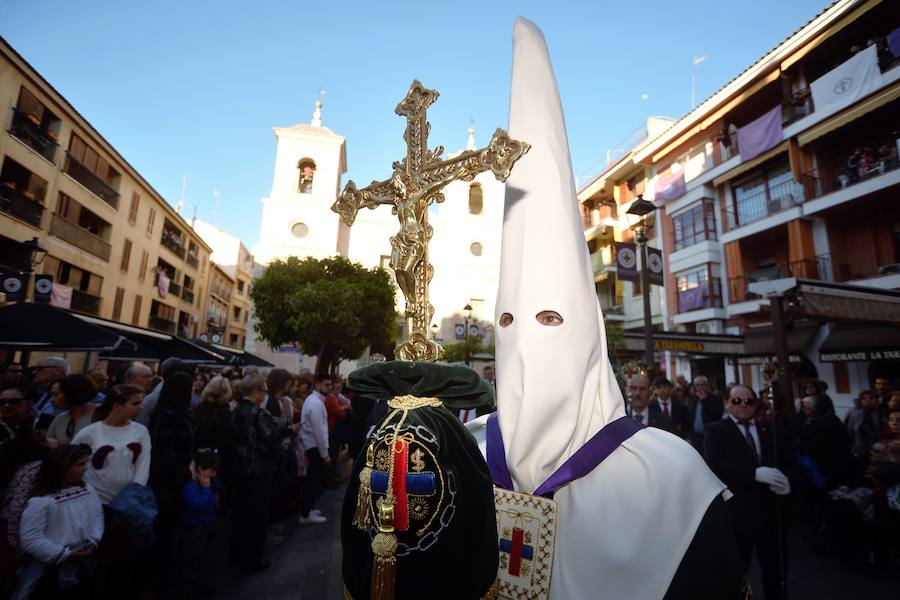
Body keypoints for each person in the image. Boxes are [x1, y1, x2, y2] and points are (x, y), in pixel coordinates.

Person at [465, 19, 746, 599]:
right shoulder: (461, 451)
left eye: (551, 320)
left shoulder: (668, 478)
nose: (527, 343)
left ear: (589, 333)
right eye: (510, 323)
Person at [704, 385, 792, 600]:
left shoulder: (768, 430)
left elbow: (786, 460)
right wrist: (753, 474)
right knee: (737, 571)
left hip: (771, 514)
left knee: (775, 569)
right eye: (736, 401)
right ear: (726, 403)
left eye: (749, 401)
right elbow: (714, 466)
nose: (743, 405)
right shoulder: (715, 430)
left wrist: (787, 481)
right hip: (737, 514)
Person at [12, 444, 104, 600]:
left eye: (85, 463)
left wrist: (94, 539)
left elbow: (98, 515)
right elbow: (30, 539)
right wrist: (63, 555)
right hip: (48, 558)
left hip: (82, 553)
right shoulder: (41, 502)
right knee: (27, 591)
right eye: (80, 464)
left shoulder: (88, 489)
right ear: (62, 467)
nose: (85, 469)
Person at [230, 374, 282, 573]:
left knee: (241, 514)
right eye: (264, 391)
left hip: (240, 469)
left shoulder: (234, 410)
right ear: (256, 391)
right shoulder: (258, 413)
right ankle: (252, 559)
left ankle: (236, 554)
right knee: (257, 516)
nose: (264, 396)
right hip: (259, 470)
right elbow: (272, 439)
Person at [147, 372, 195, 575]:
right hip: (169, 484)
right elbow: (164, 452)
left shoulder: (175, 414)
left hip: (175, 482)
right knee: (166, 529)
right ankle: (161, 571)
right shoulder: (168, 417)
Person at [72, 384, 151, 505]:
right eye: (135, 404)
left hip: (127, 501)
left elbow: (142, 466)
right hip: (93, 499)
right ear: (117, 406)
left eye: (141, 403)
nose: (141, 407)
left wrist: (134, 495)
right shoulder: (88, 433)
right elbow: (71, 463)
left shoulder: (141, 431)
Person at [175, 448, 222, 598]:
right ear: (200, 469)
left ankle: (201, 586)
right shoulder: (191, 488)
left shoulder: (209, 481)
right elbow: (200, 505)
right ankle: (189, 590)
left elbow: (219, 488)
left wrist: (212, 480)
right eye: (212, 470)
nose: (214, 474)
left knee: (205, 559)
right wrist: (207, 489)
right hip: (194, 531)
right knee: (192, 561)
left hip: (207, 527)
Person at [298, 374, 330, 525]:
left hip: (312, 445)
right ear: (318, 385)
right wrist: (325, 454)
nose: (329, 388)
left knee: (312, 481)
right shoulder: (316, 403)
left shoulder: (313, 400)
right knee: (312, 482)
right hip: (314, 447)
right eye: (327, 385)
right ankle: (306, 514)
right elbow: (319, 431)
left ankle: (308, 509)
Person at [47, 374, 97, 445]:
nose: (51, 400)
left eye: (56, 394)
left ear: (72, 393)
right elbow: (50, 438)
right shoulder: (60, 419)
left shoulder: (102, 416)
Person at [845, 389, 884, 466]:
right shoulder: (855, 414)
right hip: (860, 449)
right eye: (864, 399)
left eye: (871, 398)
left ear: (877, 399)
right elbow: (849, 431)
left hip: (880, 449)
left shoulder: (883, 412)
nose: (868, 400)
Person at [688, 375, 724, 451]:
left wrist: (704, 401)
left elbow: (717, 414)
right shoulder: (692, 400)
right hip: (696, 437)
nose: (700, 387)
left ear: (707, 385)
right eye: (698, 385)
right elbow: (689, 418)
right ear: (694, 387)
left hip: (711, 436)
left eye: (703, 384)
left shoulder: (716, 399)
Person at [31, 357, 69, 422]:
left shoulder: (67, 392)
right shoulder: (43, 391)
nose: (34, 372)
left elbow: (60, 421)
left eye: (40, 368)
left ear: (57, 371)